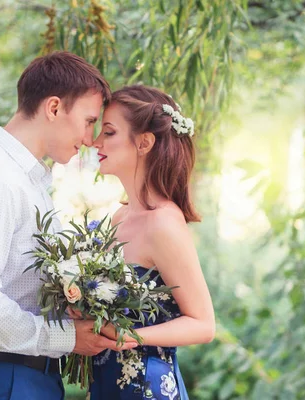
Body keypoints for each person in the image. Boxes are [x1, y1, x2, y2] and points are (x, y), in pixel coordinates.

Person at [0, 51, 137, 400]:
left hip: (25, 376)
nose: (90, 139)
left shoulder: (28, 183)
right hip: (3, 376)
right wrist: (66, 336)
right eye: (89, 121)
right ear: (54, 108)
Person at [88, 85, 216, 399]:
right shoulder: (118, 218)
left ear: (144, 142)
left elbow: (203, 324)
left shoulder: (163, 223)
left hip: (147, 387)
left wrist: (127, 336)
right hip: (106, 383)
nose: (95, 142)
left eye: (108, 132)